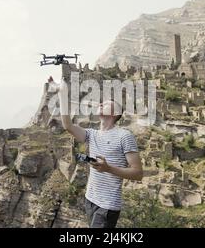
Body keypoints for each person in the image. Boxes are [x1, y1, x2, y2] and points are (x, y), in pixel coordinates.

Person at [50, 76, 143, 228]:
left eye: (106, 104)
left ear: (115, 113)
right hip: (90, 200)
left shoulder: (125, 136)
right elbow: (68, 126)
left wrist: (108, 168)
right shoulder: (92, 134)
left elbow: (138, 173)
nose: (101, 103)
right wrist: (62, 93)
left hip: (107, 205)